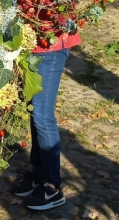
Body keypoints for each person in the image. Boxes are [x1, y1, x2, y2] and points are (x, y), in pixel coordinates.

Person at [12, 34, 80, 210]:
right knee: (34, 111)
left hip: (52, 48)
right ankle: (39, 174)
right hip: (31, 45)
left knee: (42, 115)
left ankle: (52, 186)